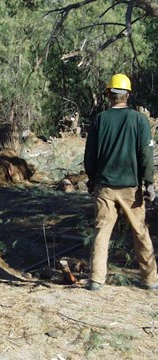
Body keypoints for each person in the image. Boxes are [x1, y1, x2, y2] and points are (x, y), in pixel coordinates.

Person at [84, 73, 158, 291]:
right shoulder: (139, 120)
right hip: (131, 189)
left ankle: (96, 280)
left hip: (104, 187)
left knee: (102, 232)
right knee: (140, 232)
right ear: (128, 95)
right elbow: (145, 153)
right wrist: (149, 182)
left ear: (109, 94)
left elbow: (90, 155)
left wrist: (92, 179)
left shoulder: (99, 120)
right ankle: (150, 279)